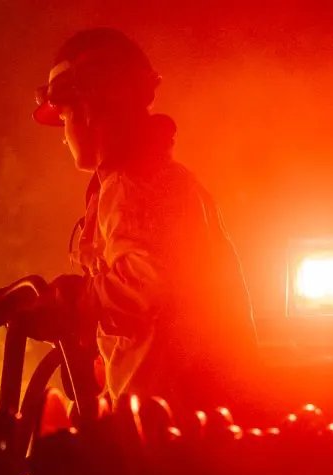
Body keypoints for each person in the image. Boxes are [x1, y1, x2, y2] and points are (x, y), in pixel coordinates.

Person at [30, 27, 258, 411]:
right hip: (195, 411)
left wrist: (75, 302)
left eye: (65, 114)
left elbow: (144, 283)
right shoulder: (156, 179)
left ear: (89, 107)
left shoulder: (134, 184)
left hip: (177, 423)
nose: (64, 134)